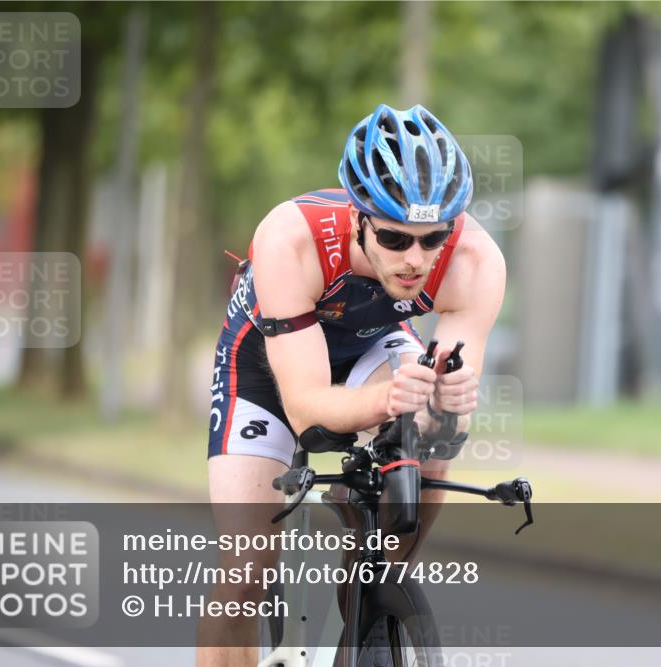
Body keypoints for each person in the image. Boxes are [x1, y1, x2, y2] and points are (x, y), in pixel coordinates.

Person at [198, 104, 506, 667]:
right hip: (266, 364)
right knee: (246, 566)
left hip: (371, 341)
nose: (415, 259)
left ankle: (373, 597)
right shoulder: (291, 239)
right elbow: (306, 407)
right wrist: (385, 401)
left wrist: (450, 409)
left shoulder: (473, 261)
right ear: (358, 216)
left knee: (428, 444)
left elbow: (449, 417)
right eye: (393, 239)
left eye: (431, 237)